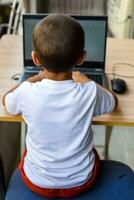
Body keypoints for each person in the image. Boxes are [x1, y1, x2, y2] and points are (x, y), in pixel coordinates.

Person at [2, 14, 118, 198]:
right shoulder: (90, 92)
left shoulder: (26, 92)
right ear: (82, 58)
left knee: (28, 152)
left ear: (35, 59)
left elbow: (6, 100)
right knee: (92, 154)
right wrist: (87, 81)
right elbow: (112, 103)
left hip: (37, 182)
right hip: (82, 181)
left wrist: (34, 78)